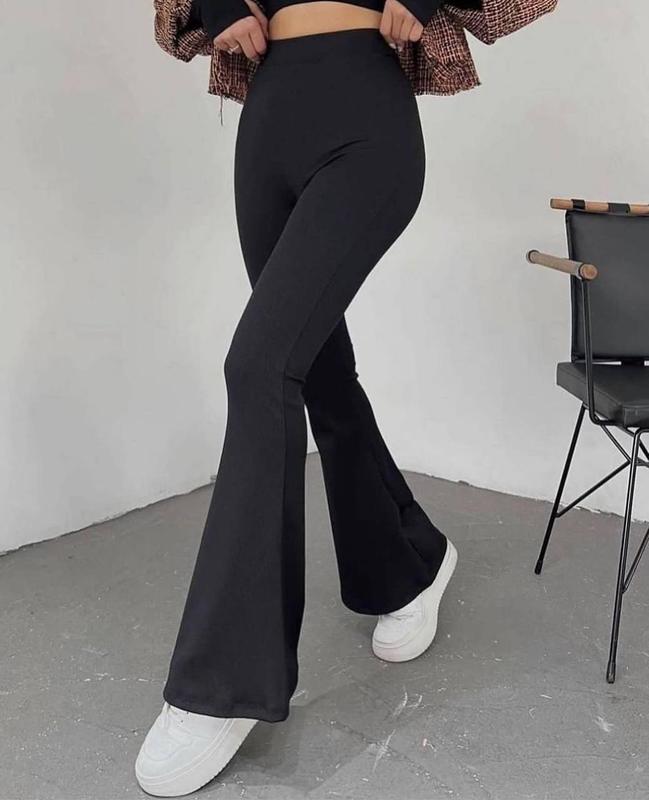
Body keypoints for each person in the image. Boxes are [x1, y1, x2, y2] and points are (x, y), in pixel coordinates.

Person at [136, 0, 472, 795]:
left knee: (258, 366)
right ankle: (408, 564)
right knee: (312, 364)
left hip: (366, 119)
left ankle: (222, 685)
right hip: (269, 117)